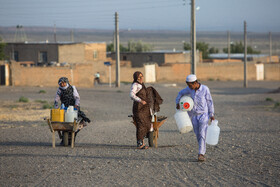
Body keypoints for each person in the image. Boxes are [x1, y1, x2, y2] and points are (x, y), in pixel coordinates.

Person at [175, 74, 214, 162]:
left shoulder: (205, 89)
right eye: (188, 85)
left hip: (203, 115)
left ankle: (201, 154)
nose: (189, 87)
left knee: (202, 133)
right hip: (193, 115)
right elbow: (180, 93)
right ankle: (201, 150)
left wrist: (211, 114)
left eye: (190, 85)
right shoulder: (189, 89)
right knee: (198, 134)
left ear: (195, 82)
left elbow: (209, 102)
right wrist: (178, 102)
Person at [54, 77, 91, 145]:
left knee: (76, 124)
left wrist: (76, 106)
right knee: (64, 123)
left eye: (63, 83)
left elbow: (77, 98)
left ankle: (71, 138)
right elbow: (56, 100)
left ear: (66, 82)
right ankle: (64, 139)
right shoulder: (59, 90)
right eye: (60, 83)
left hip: (74, 108)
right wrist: (56, 108)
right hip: (65, 108)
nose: (62, 84)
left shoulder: (72, 88)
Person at [129, 71, 151, 149]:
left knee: (146, 123)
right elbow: (131, 95)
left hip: (145, 108)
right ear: (136, 78)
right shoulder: (135, 85)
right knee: (140, 124)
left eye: (142, 77)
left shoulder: (142, 85)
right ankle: (140, 144)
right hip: (138, 108)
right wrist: (140, 100)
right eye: (139, 77)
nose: (141, 78)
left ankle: (143, 142)